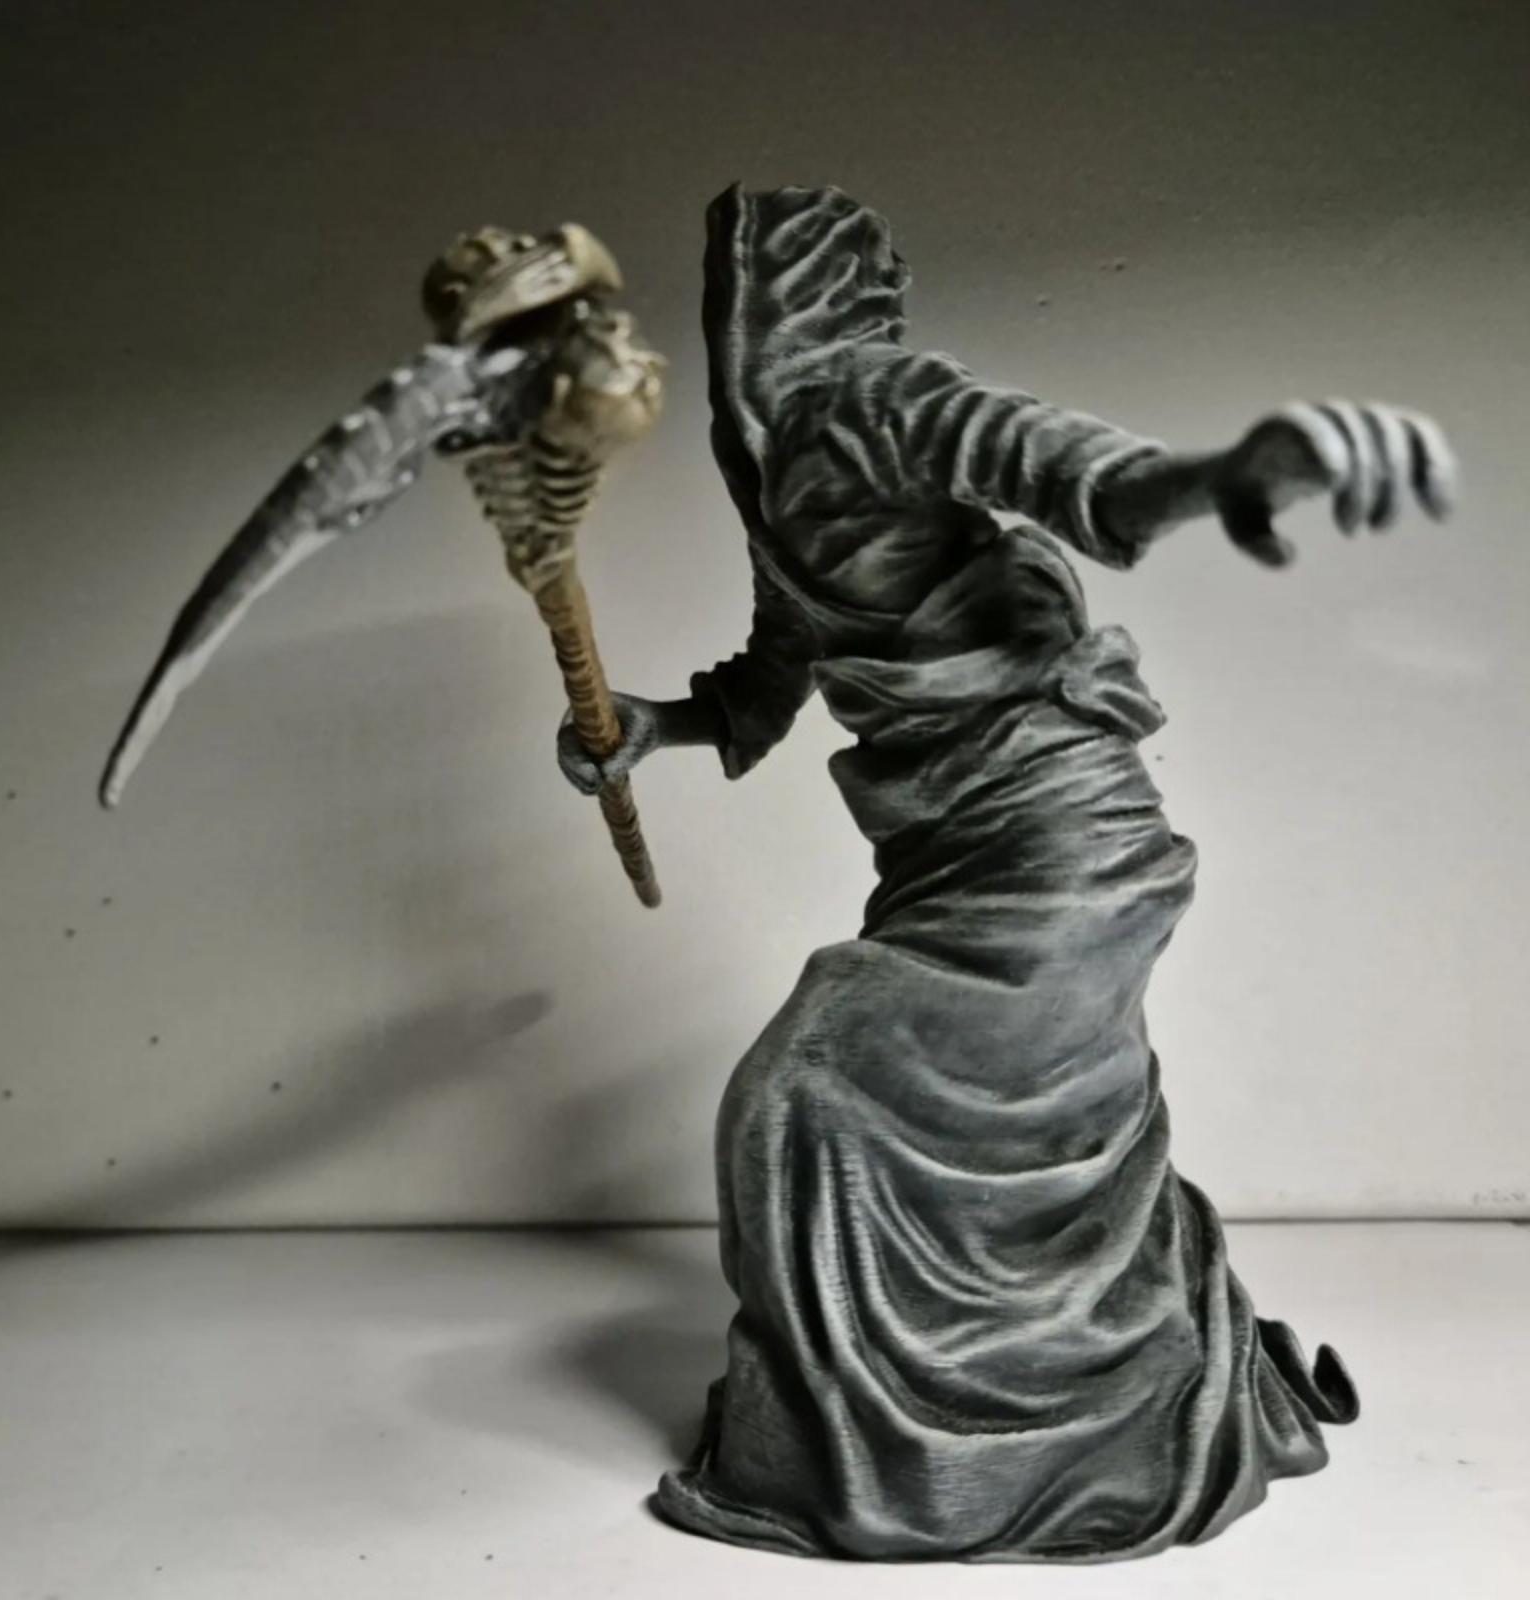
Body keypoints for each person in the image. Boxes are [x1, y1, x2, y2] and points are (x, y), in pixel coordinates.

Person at [557, 183, 1456, 1562]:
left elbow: (1073, 471)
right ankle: (1027, 1408)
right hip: (945, 858)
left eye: (764, 284)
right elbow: (769, 679)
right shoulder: (786, 481)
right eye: (736, 288)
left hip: (1057, 845)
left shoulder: (877, 399)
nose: (741, 321)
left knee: (804, 1096)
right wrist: (650, 728)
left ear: (814, 296)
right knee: (1000, 1136)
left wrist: (1224, 474)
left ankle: (915, 1445)